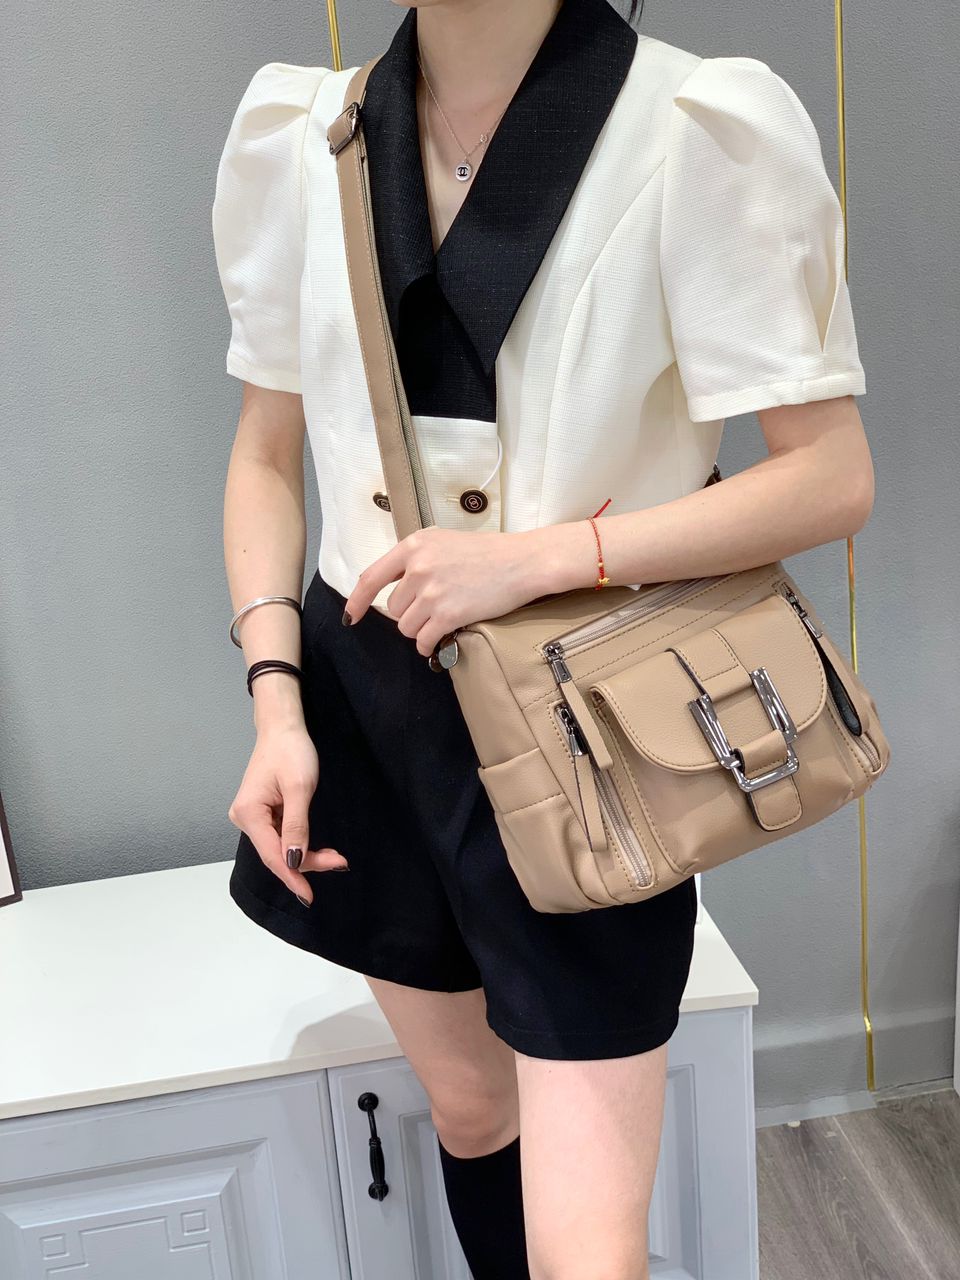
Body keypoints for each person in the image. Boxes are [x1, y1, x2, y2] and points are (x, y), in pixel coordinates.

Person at [210, 0, 874, 1275]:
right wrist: (275, 703)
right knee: (470, 1113)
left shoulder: (694, 128)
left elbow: (831, 478)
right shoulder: (304, 133)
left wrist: (541, 557)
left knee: (589, 1247)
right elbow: (263, 454)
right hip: (364, 708)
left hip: (579, 723)